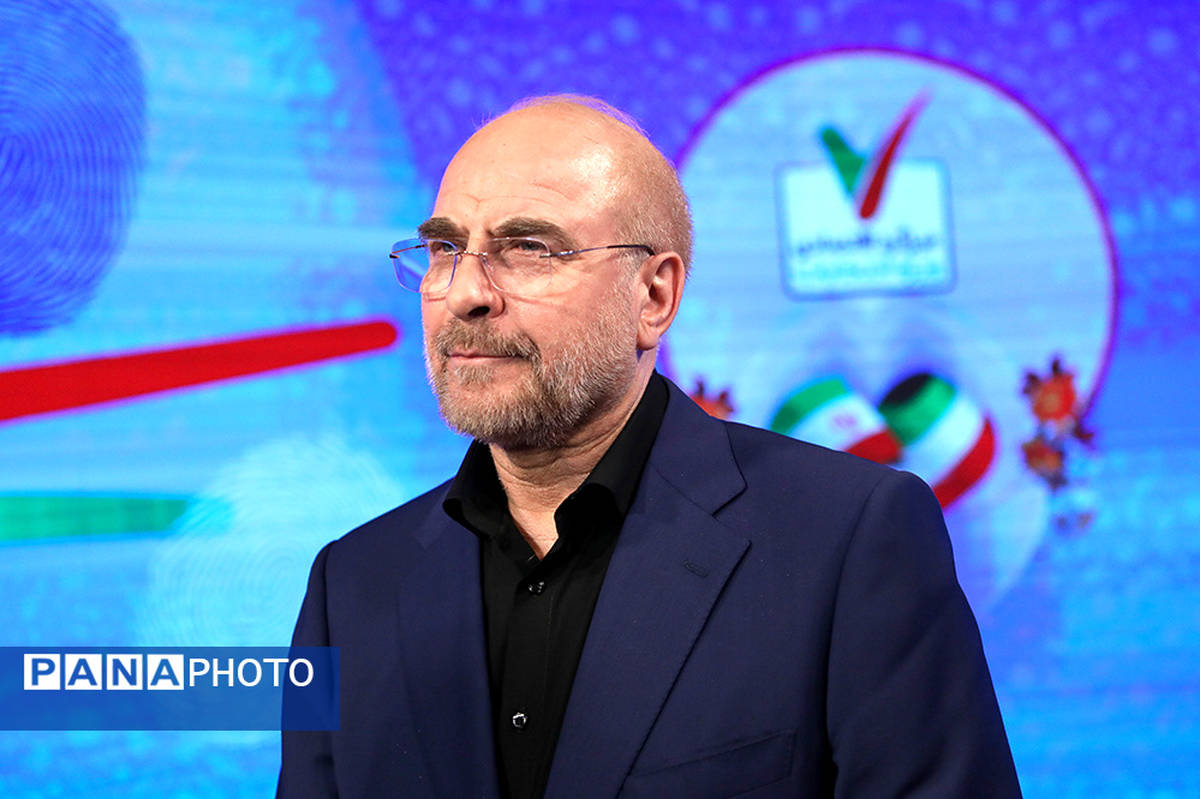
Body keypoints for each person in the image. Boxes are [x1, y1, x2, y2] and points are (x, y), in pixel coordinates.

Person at [278, 95, 1021, 798]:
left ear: (654, 296)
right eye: (446, 248)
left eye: (529, 248)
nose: (465, 292)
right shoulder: (349, 586)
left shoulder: (850, 539)